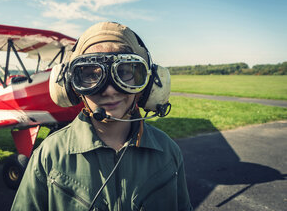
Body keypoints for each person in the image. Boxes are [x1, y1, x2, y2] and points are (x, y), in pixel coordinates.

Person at [11, 22, 193, 211]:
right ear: (70, 85)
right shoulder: (48, 156)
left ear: (146, 83)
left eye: (123, 72)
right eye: (90, 75)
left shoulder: (168, 153)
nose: (109, 90)